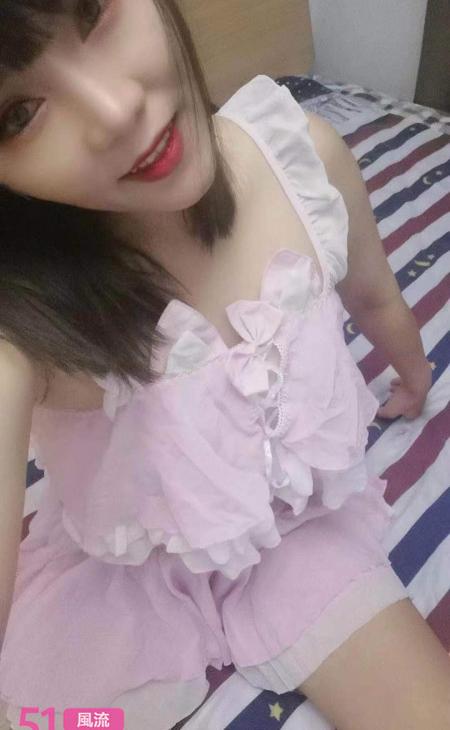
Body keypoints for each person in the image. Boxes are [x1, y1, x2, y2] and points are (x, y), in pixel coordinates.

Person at [0, 2, 449, 729]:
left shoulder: (301, 158)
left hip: (297, 532)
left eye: (96, 11)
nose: (113, 111)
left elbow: (374, 295)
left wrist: (414, 371)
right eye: (18, 114)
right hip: (120, 575)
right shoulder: (21, 318)